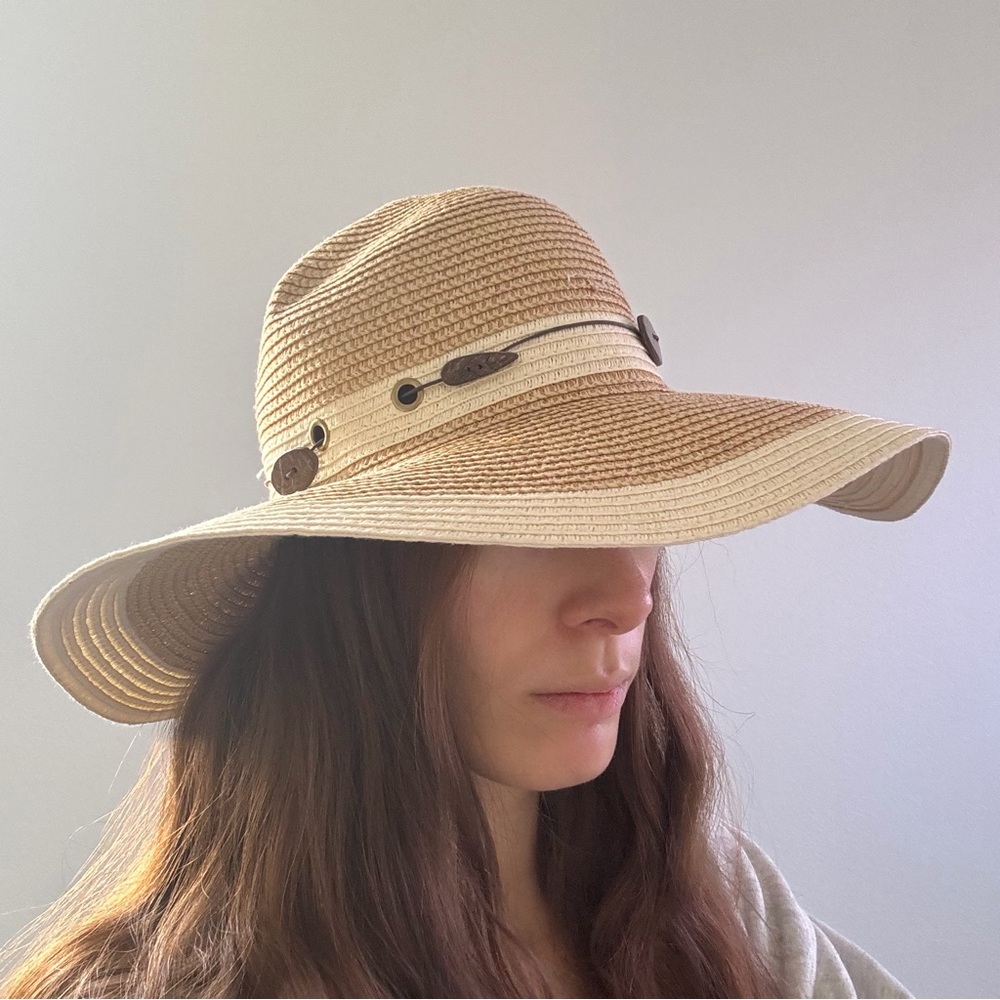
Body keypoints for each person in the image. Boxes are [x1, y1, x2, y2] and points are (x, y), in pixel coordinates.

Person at [0, 185, 949, 998]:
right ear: (356, 582)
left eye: (639, 506)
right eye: (534, 524)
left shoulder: (707, 899)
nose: (626, 602)